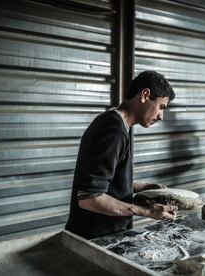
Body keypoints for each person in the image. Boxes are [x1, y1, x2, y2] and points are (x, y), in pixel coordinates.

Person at [65, 71, 177, 239]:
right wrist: (147, 212)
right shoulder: (113, 131)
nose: (161, 116)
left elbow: (106, 183)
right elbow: (90, 198)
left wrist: (145, 187)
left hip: (101, 237)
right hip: (93, 240)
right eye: (161, 107)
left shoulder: (116, 124)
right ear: (145, 95)